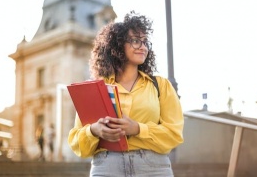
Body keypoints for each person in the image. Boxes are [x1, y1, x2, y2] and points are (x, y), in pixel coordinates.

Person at [68, 11, 184, 177]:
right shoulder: (96, 89)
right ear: (118, 45)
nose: (143, 47)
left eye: (145, 42)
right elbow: (77, 142)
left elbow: (174, 134)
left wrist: (137, 128)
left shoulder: (160, 85)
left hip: (153, 168)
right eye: (136, 41)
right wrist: (94, 130)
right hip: (107, 167)